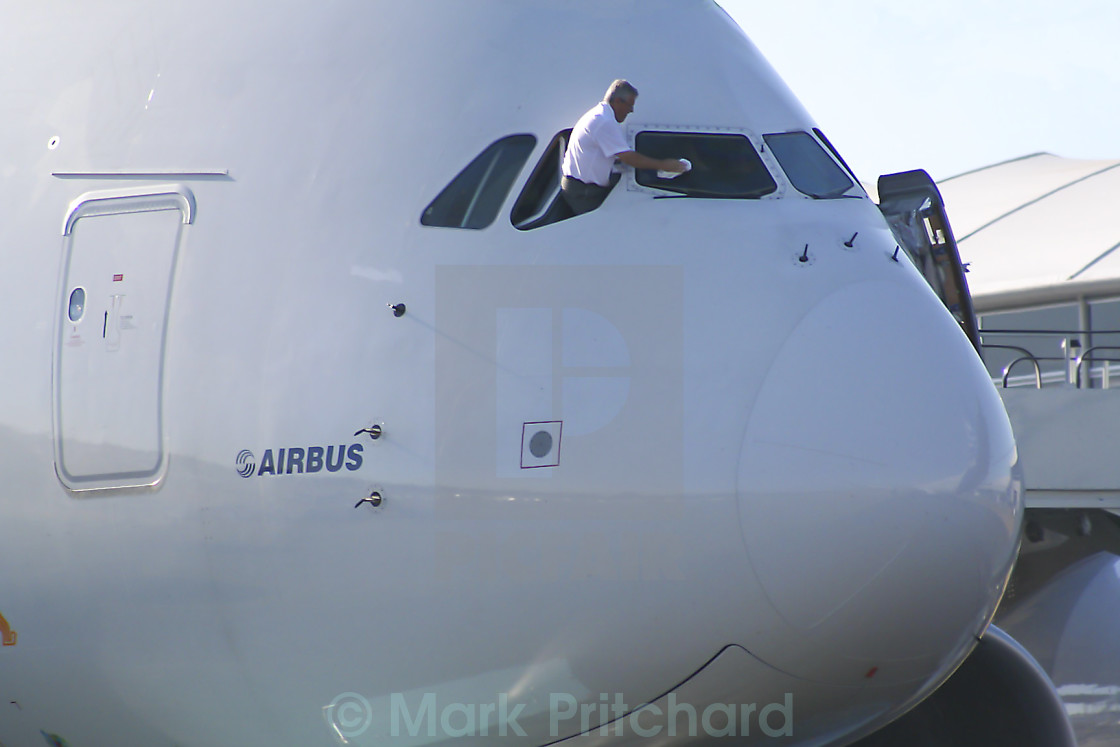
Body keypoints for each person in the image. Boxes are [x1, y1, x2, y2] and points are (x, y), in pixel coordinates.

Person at [561, 79, 687, 215]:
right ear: (618, 102)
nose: (631, 110)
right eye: (629, 105)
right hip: (584, 193)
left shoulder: (598, 115)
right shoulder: (604, 122)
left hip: (579, 186)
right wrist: (664, 165)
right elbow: (628, 157)